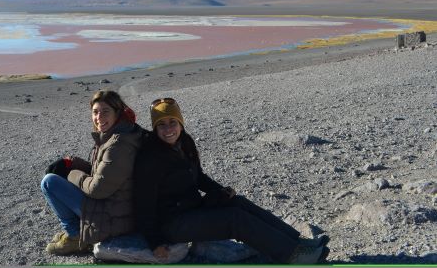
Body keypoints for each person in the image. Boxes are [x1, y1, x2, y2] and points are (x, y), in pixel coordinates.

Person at [134, 97, 330, 264]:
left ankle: (298, 242)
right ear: (154, 127)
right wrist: (155, 242)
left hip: (191, 208)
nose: (168, 129)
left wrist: (221, 191)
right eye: (161, 124)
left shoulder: (185, 143)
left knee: (237, 202)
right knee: (235, 219)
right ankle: (292, 256)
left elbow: (198, 177)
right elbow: (144, 204)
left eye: (172, 122)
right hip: (173, 223)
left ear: (180, 122)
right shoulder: (150, 157)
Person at [40, 90, 145, 255]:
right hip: (119, 208)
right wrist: (75, 163)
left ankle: (75, 235)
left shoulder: (118, 144)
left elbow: (98, 189)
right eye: (95, 112)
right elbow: (108, 173)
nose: (99, 117)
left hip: (113, 218)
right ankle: (79, 231)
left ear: (117, 113)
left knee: (49, 182)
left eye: (105, 112)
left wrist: (72, 173)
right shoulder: (119, 133)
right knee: (61, 177)